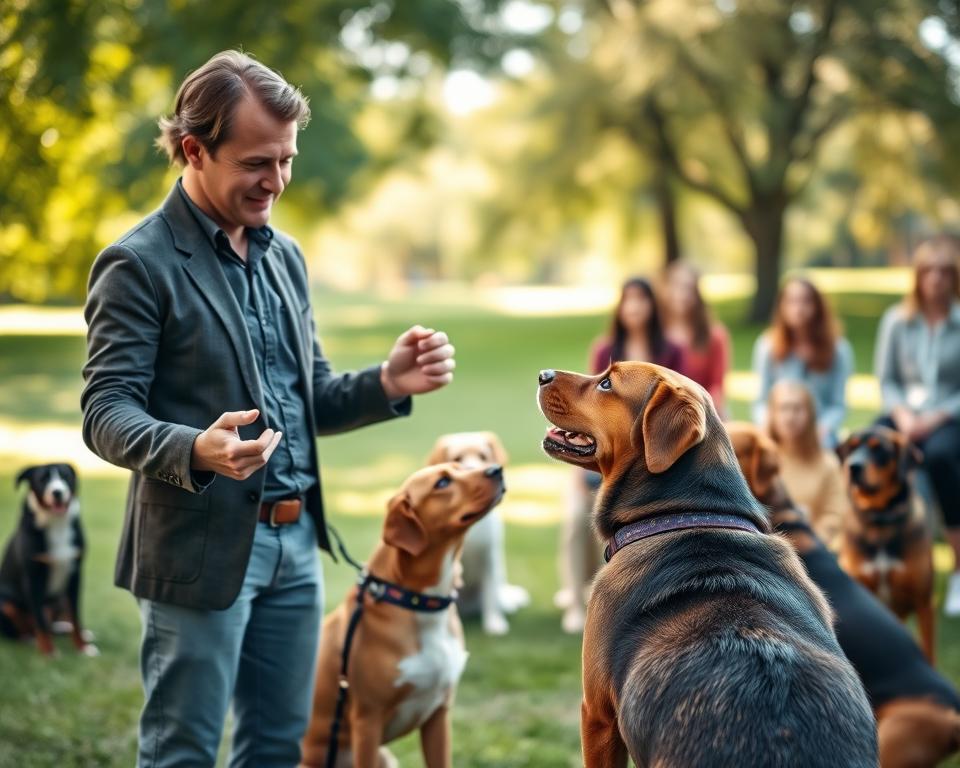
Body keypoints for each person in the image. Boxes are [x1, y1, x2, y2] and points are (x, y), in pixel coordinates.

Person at [80, 51, 456, 768]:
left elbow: (305, 394)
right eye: (257, 162)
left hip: (294, 547)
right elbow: (105, 410)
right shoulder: (138, 263)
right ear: (194, 149)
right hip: (197, 549)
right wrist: (197, 448)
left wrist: (389, 381)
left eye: (286, 160)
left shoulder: (285, 257)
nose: (277, 181)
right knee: (183, 751)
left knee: (279, 747)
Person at [556, 277, 682, 633]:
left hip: (645, 465)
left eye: (642, 300)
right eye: (629, 300)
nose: (635, 307)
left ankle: (615, 599)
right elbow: (590, 410)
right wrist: (579, 471)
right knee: (577, 515)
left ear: (652, 307)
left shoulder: (671, 351)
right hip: (600, 456)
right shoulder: (606, 348)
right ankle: (575, 598)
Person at [875, 234, 960, 615]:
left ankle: (957, 570)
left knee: (941, 458)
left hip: (948, 415)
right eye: (929, 271)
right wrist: (904, 416)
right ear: (918, 277)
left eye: (945, 272)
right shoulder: (897, 321)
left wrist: (937, 416)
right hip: (905, 414)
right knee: (869, 448)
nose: (937, 279)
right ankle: (880, 559)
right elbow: (886, 378)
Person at [752, 276, 853, 448]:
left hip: (819, 436)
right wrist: (771, 425)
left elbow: (838, 405)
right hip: (779, 431)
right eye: (791, 302)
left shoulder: (838, 349)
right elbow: (761, 402)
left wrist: (823, 428)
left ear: (817, 307)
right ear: (781, 307)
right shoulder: (767, 346)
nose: (798, 308)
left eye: (806, 301)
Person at [766, 380, 848, 551]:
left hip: (813, 551)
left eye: (797, 409)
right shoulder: (761, 460)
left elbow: (834, 515)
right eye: (783, 408)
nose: (790, 416)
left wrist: (811, 543)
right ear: (772, 414)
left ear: (810, 414)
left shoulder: (827, 463)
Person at [661, 260, 731, 416]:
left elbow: (717, 387)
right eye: (677, 287)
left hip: (705, 412)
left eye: (688, 289)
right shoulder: (657, 335)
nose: (682, 295)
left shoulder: (715, 336)